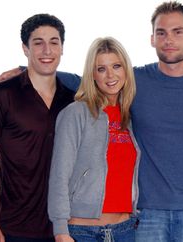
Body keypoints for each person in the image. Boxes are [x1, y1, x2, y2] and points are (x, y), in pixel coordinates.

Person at [0, 2, 183, 241]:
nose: (169, 39)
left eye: (178, 31)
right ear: (152, 39)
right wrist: (26, 70)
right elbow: (89, 78)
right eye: (161, 33)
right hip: (145, 213)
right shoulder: (136, 79)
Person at [0, 13, 74, 242]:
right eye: (38, 43)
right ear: (25, 48)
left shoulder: (73, 101)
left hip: (65, 231)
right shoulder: (1, 95)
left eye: (54, 42)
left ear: (62, 48)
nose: (47, 51)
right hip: (12, 230)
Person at [48, 36, 140, 242]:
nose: (110, 75)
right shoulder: (76, 113)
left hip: (125, 230)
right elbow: (59, 175)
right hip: (83, 232)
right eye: (101, 69)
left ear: (126, 69)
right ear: (92, 75)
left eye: (116, 66)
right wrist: (60, 230)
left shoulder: (131, 116)